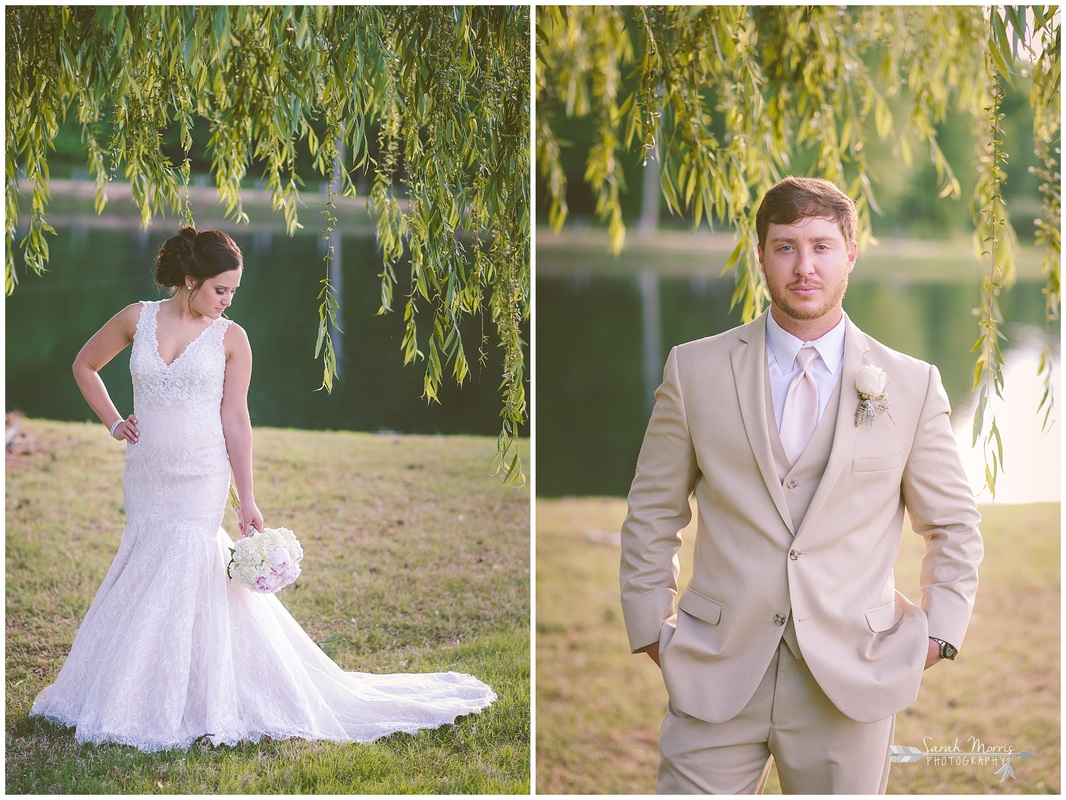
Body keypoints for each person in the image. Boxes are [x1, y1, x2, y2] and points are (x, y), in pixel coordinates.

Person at [31, 226, 495, 751]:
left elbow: (236, 419)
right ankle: (131, 686)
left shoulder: (232, 339)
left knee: (188, 561)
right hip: (147, 472)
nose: (227, 299)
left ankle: (187, 696)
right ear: (190, 280)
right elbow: (84, 366)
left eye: (233, 291)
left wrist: (247, 499)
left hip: (202, 473)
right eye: (219, 289)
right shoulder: (137, 318)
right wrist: (115, 422)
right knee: (147, 560)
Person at [619, 177, 983, 794]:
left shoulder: (912, 384)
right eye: (786, 247)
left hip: (850, 678)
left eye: (821, 246)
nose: (804, 266)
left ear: (851, 252)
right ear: (760, 254)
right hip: (715, 667)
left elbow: (952, 525)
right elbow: (653, 514)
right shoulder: (694, 369)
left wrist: (941, 635)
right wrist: (653, 629)